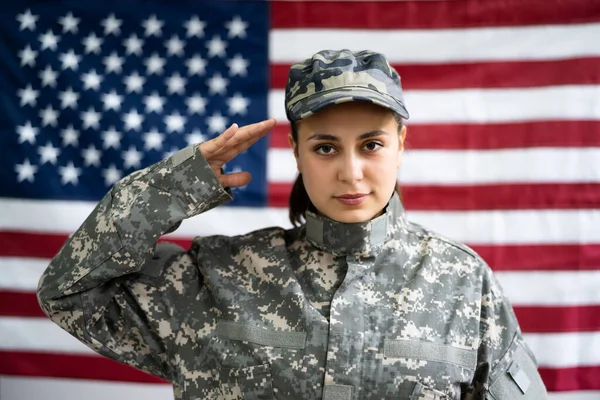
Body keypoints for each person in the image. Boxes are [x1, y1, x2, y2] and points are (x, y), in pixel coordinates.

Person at [36, 49, 548, 400]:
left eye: (372, 144)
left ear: (401, 145)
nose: (350, 172)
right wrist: (174, 186)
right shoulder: (213, 278)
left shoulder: (464, 285)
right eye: (325, 147)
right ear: (297, 152)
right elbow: (67, 291)